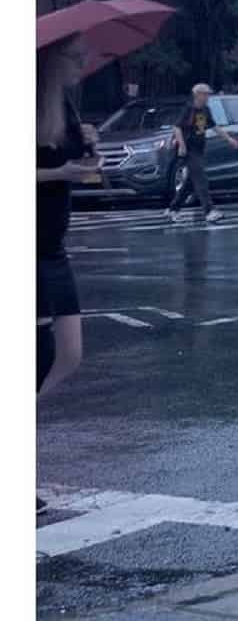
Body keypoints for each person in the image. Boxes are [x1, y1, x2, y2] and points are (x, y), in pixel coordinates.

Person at [37, 36, 99, 513]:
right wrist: (61, 174)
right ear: (53, 57)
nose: (83, 63)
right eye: (75, 56)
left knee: (70, 354)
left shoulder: (66, 105)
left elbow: (77, 160)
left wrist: (89, 143)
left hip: (53, 247)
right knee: (36, 358)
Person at [167, 83, 238, 225]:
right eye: (205, 94)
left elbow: (215, 126)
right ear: (197, 95)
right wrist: (181, 145)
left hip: (199, 149)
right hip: (188, 149)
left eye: (208, 94)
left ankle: (173, 209)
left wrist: (229, 139)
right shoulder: (189, 109)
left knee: (191, 182)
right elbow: (177, 127)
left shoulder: (205, 110)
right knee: (201, 179)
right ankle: (209, 211)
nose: (207, 97)